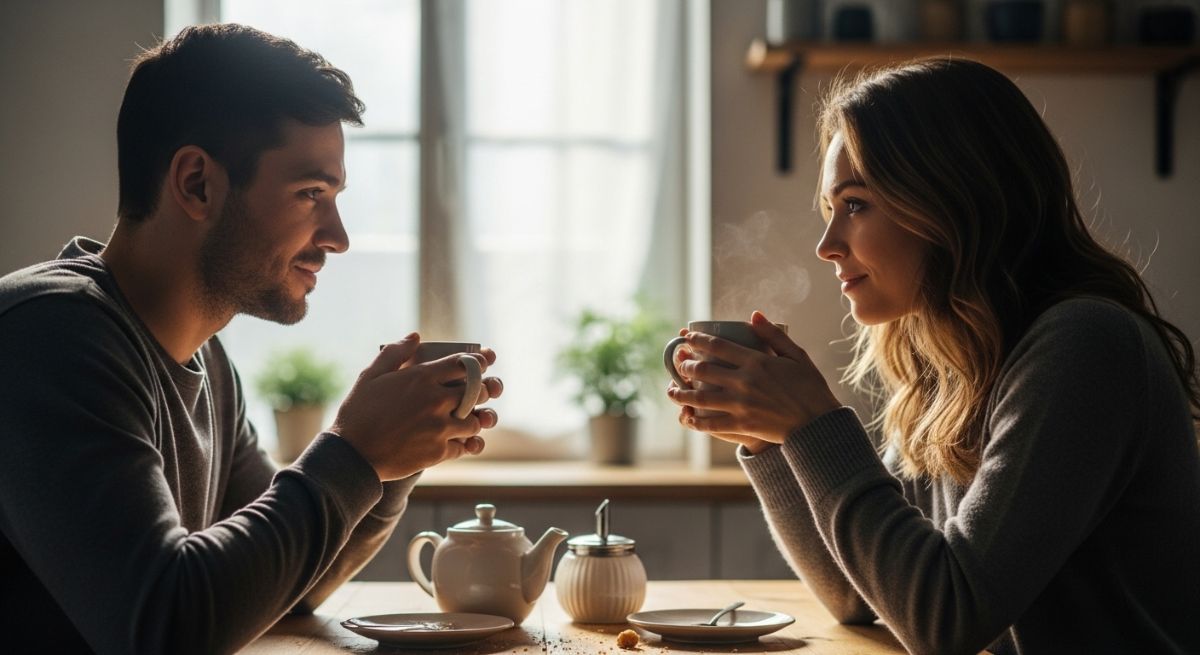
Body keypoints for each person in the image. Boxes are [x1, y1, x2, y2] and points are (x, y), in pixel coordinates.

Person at [666, 58, 1200, 654]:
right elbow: (862, 596)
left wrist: (814, 425)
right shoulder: (951, 365)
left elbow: (946, 621)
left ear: (951, 198)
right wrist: (773, 441)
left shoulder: (1085, 346)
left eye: (857, 204)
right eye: (830, 209)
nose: (826, 245)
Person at [0, 24, 503, 654]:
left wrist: (395, 460)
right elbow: (166, 627)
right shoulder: (49, 335)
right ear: (196, 184)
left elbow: (285, 587)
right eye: (310, 193)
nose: (338, 236)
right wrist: (356, 453)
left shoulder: (205, 358)